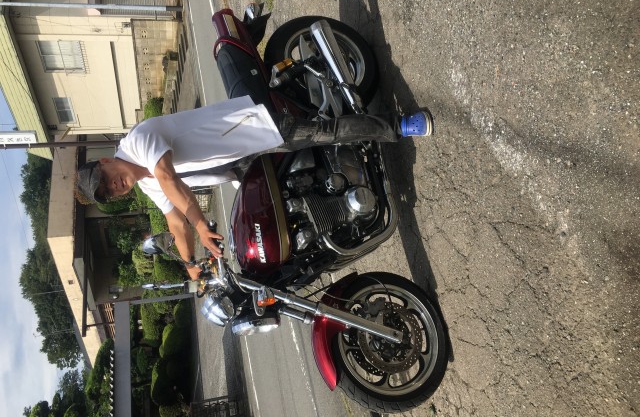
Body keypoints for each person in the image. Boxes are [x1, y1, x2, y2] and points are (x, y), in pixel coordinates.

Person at [76, 95, 433, 280]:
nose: (115, 186)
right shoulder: (145, 184)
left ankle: (399, 125)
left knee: (324, 133)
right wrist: (190, 264)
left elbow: (170, 180)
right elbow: (173, 221)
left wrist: (200, 225)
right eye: (109, 193)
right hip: (243, 166)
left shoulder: (139, 142)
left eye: (107, 180)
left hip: (250, 130)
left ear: (106, 160)